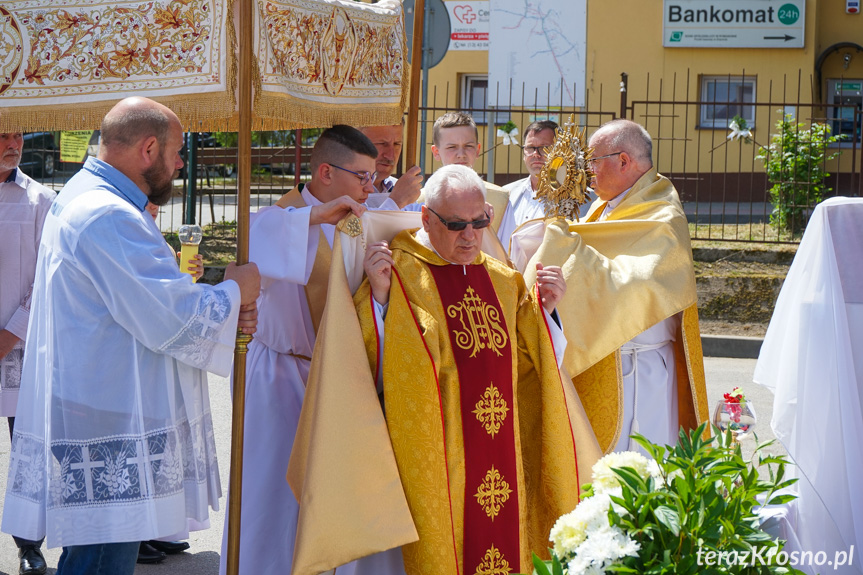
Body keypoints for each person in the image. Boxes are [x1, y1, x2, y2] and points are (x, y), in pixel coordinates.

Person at [289, 164, 601, 575]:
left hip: (500, 450)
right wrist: (380, 299)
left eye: (480, 221)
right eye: (456, 225)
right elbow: (363, 367)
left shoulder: (505, 281)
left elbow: (534, 366)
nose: (470, 236)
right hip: (436, 455)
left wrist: (547, 312)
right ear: (426, 218)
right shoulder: (399, 271)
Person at [1, 97, 260, 575]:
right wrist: (235, 289)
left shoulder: (88, 192)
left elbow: (141, 295)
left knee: (97, 555)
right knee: (101, 560)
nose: (182, 162)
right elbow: (169, 318)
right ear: (147, 148)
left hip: (98, 400)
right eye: (178, 151)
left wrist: (217, 300)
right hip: (108, 418)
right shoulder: (107, 214)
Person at [218, 125, 369, 575]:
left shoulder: (360, 220)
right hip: (280, 377)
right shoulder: (276, 217)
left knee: (328, 495)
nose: (369, 186)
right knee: (271, 495)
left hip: (336, 377)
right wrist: (314, 219)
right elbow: (253, 242)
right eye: (361, 176)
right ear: (325, 172)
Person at [513, 119, 709, 454]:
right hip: (606, 358)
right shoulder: (606, 207)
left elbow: (633, 282)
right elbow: (590, 253)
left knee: (643, 469)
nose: (587, 170)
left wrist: (565, 244)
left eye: (593, 161)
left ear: (624, 161)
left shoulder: (662, 214)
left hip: (642, 372)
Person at [0, 131, 55, 575]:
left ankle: (30, 546)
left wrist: (10, 334)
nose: (11, 142)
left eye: (17, 133)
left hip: (20, 345)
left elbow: (47, 277)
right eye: (1, 133)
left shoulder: (40, 200)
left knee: (27, 449)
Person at [497, 120, 595, 251]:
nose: (535, 154)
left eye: (544, 148)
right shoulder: (506, 193)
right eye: (530, 148)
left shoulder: (583, 198)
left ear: (559, 152)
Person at [430, 112, 510, 233]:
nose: (461, 155)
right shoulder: (420, 200)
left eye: (468, 146)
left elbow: (508, 249)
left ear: (477, 150)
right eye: (452, 147)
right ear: (436, 152)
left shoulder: (501, 200)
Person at [359, 123, 423, 209]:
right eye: (381, 143)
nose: (390, 155)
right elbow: (359, 222)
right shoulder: (343, 189)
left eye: (397, 144)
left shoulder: (402, 189)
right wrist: (397, 201)